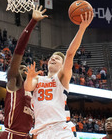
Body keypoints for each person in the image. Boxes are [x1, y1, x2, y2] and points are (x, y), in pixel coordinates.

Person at [24, 11, 93, 139]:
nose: (53, 59)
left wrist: (82, 29)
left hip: (60, 128)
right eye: (51, 57)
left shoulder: (61, 78)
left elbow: (70, 53)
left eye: (57, 58)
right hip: (41, 131)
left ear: (62, 66)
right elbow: (28, 88)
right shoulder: (38, 78)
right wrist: (29, 77)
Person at [0, 5, 48, 139]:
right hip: (11, 135)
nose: (23, 69)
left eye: (25, 69)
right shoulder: (13, 82)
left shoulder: (32, 93)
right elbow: (18, 51)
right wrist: (32, 22)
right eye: (20, 68)